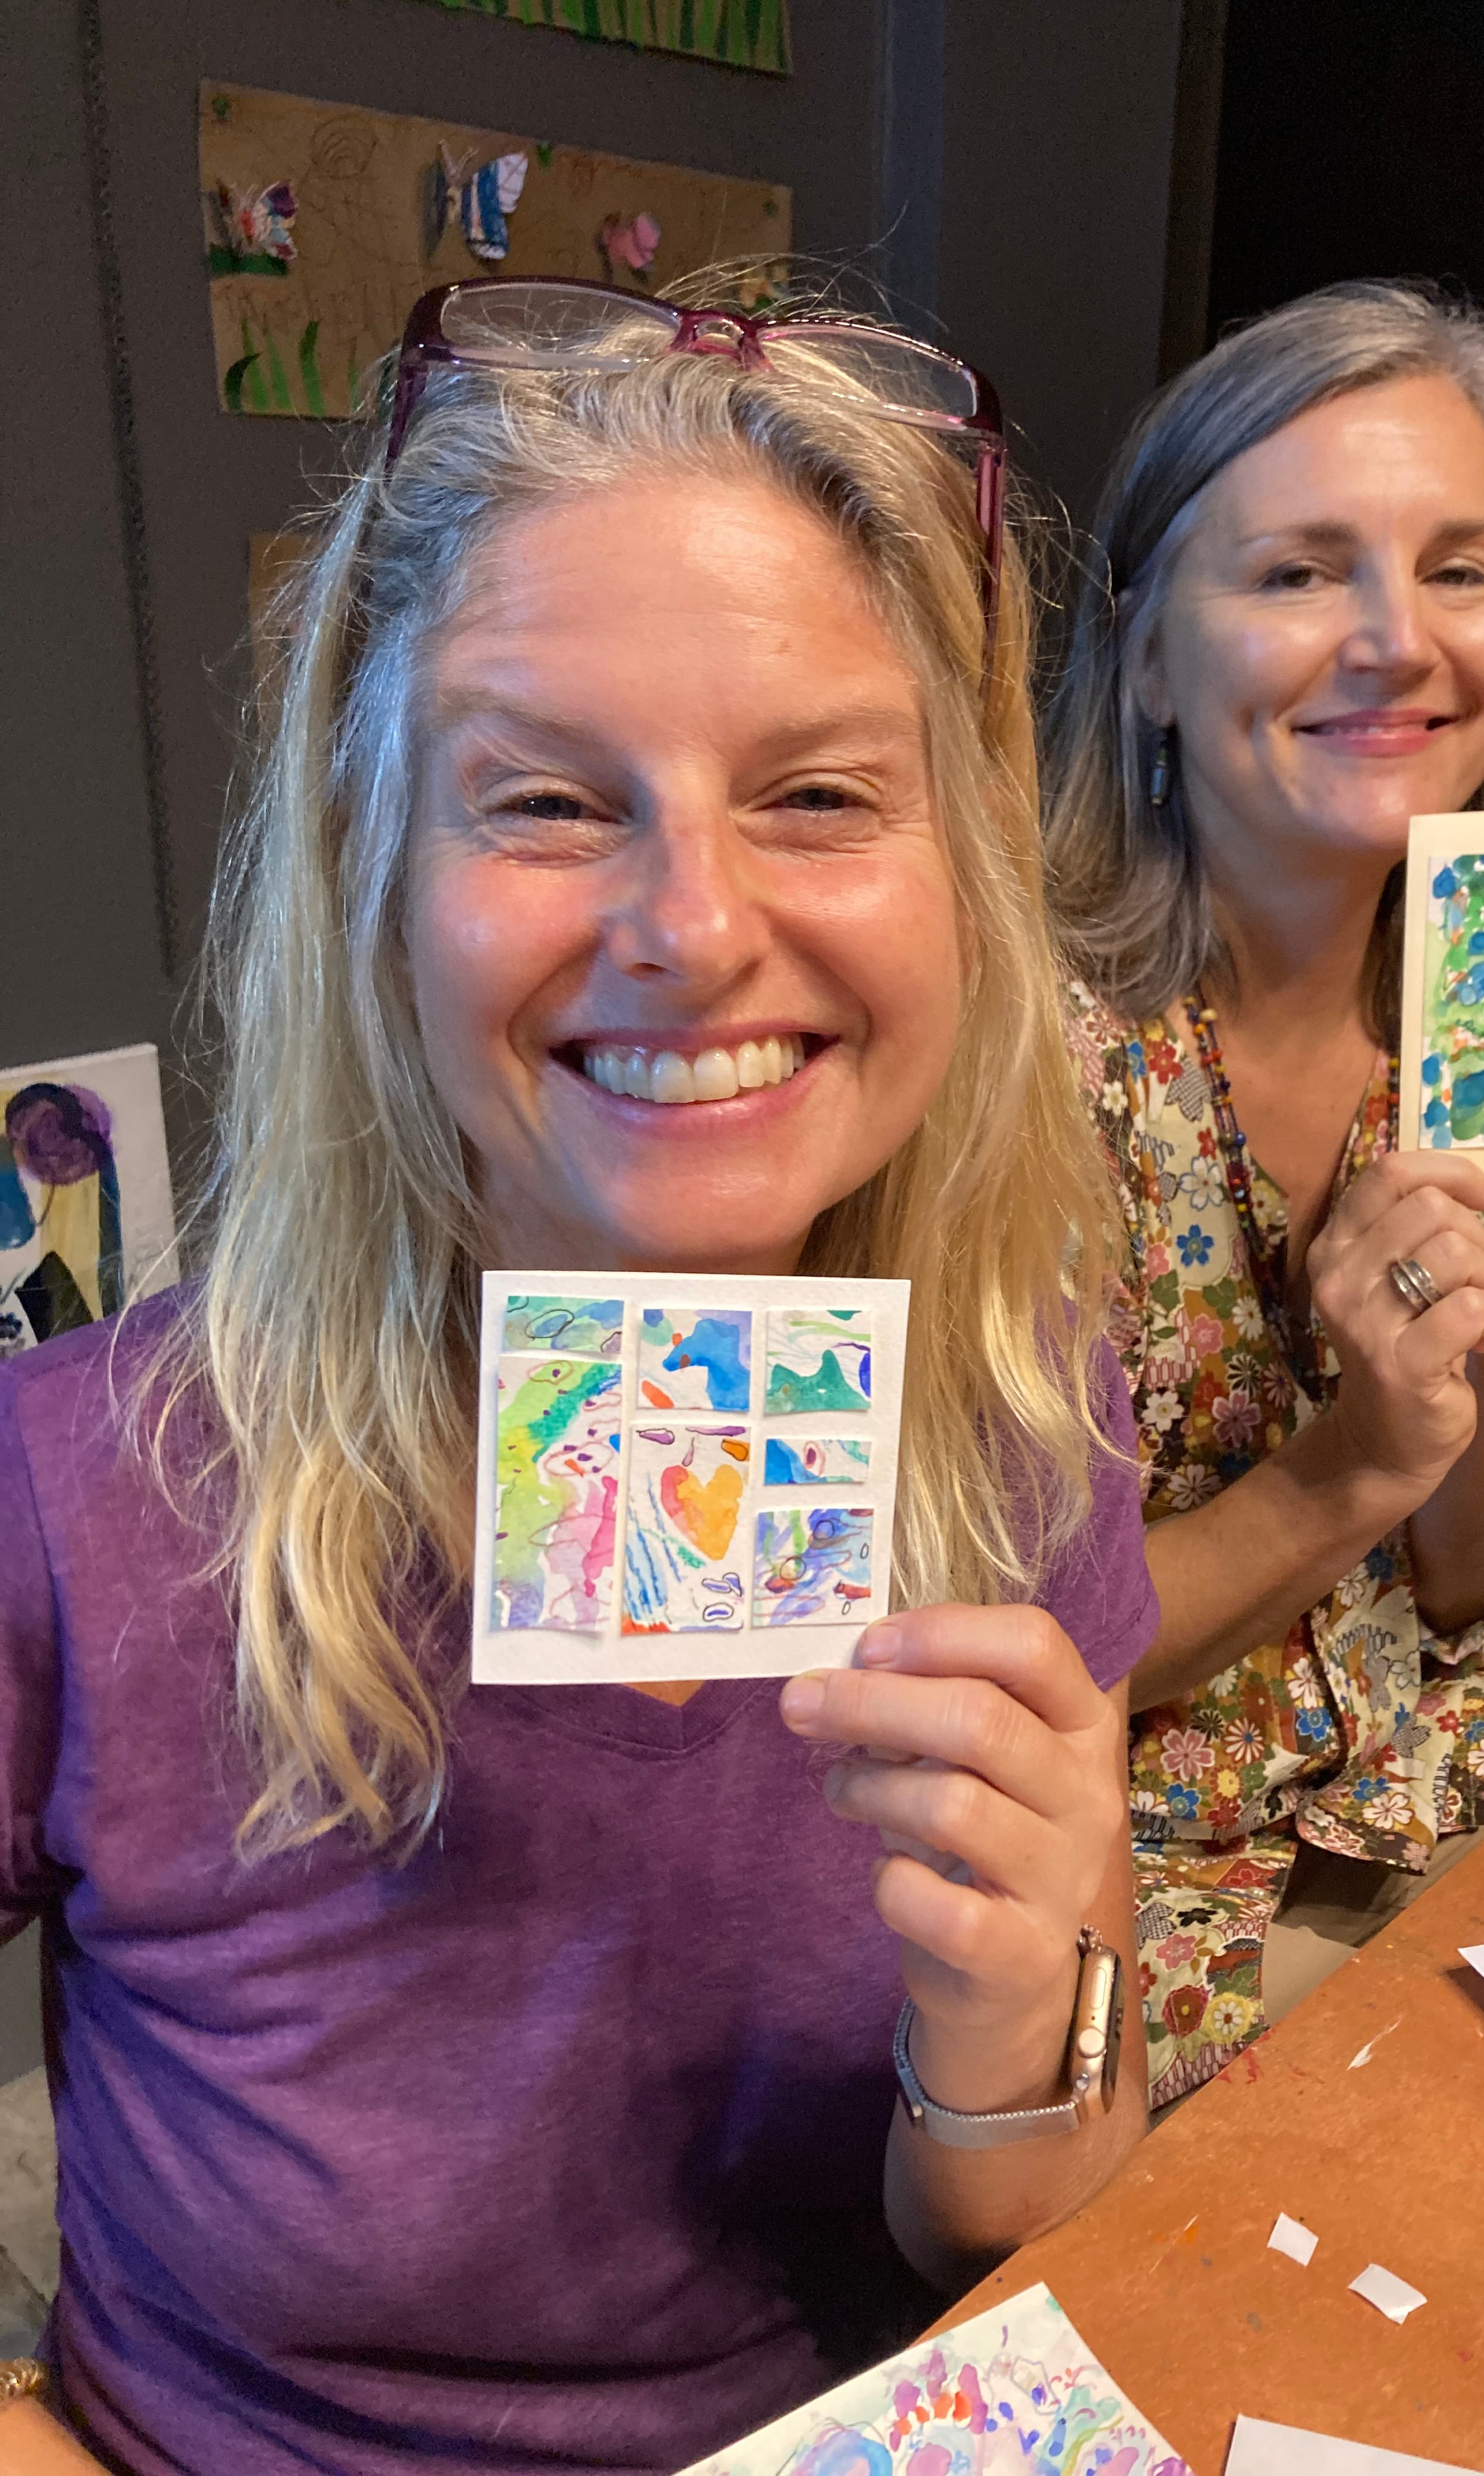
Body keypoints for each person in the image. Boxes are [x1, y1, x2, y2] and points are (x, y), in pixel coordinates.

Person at [0, 281, 1158, 2474]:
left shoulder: (1020, 1425)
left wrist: (1013, 2035)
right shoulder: (86, 1491)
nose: (693, 926)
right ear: (374, 880)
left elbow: (1013, 2232)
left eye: (818, 791)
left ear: (966, 881)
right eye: (544, 800)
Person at [1043, 279, 1484, 2108]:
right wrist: (1348, 1462)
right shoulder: (1006, 1072)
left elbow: (1470, 1578)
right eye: (1298, 573)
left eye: (1461, 569)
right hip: (1123, 1890)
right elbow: (1018, 1675)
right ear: (1152, 660)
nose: (1397, 642)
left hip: (1402, 1784)